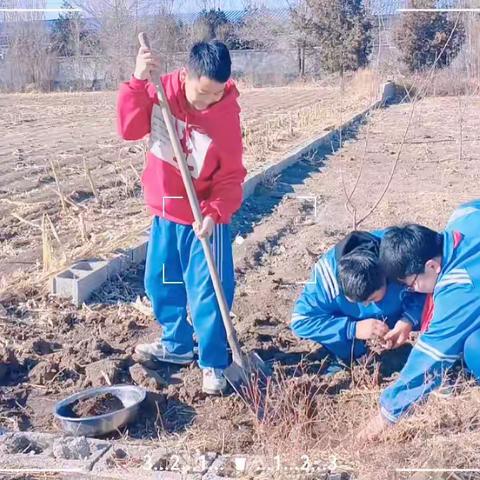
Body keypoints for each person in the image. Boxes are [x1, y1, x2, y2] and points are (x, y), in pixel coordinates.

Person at [117, 40, 246, 394]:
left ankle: (213, 360)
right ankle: (176, 344)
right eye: (201, 94)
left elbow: (231, 176)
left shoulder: (225, 116)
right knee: (163, 283)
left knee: (208, 292)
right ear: (186, 74)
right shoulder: (160, 91)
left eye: (216, 95)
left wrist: (215, 213)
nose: (207, 102)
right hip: (165, 214)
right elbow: (129, 129)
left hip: (204, 220)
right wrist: (136, 80)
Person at [359, 199, 480, 440]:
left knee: (474, 348)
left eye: (412, 283)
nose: (414, 289)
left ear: (432, 265)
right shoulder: (464, 217)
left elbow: (432, 356)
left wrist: (383, 418)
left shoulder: (460, 284)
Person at [291, 230, 425, 370]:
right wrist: (352, 329)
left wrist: (409, 319)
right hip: (348, 326)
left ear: (385, 277)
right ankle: (352, 357)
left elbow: (437, 284)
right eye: (356, 301)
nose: (365, 305)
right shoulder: (326, 279)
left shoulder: (401, 253)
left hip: (401, 308)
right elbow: (300, 321)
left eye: (371, 299)